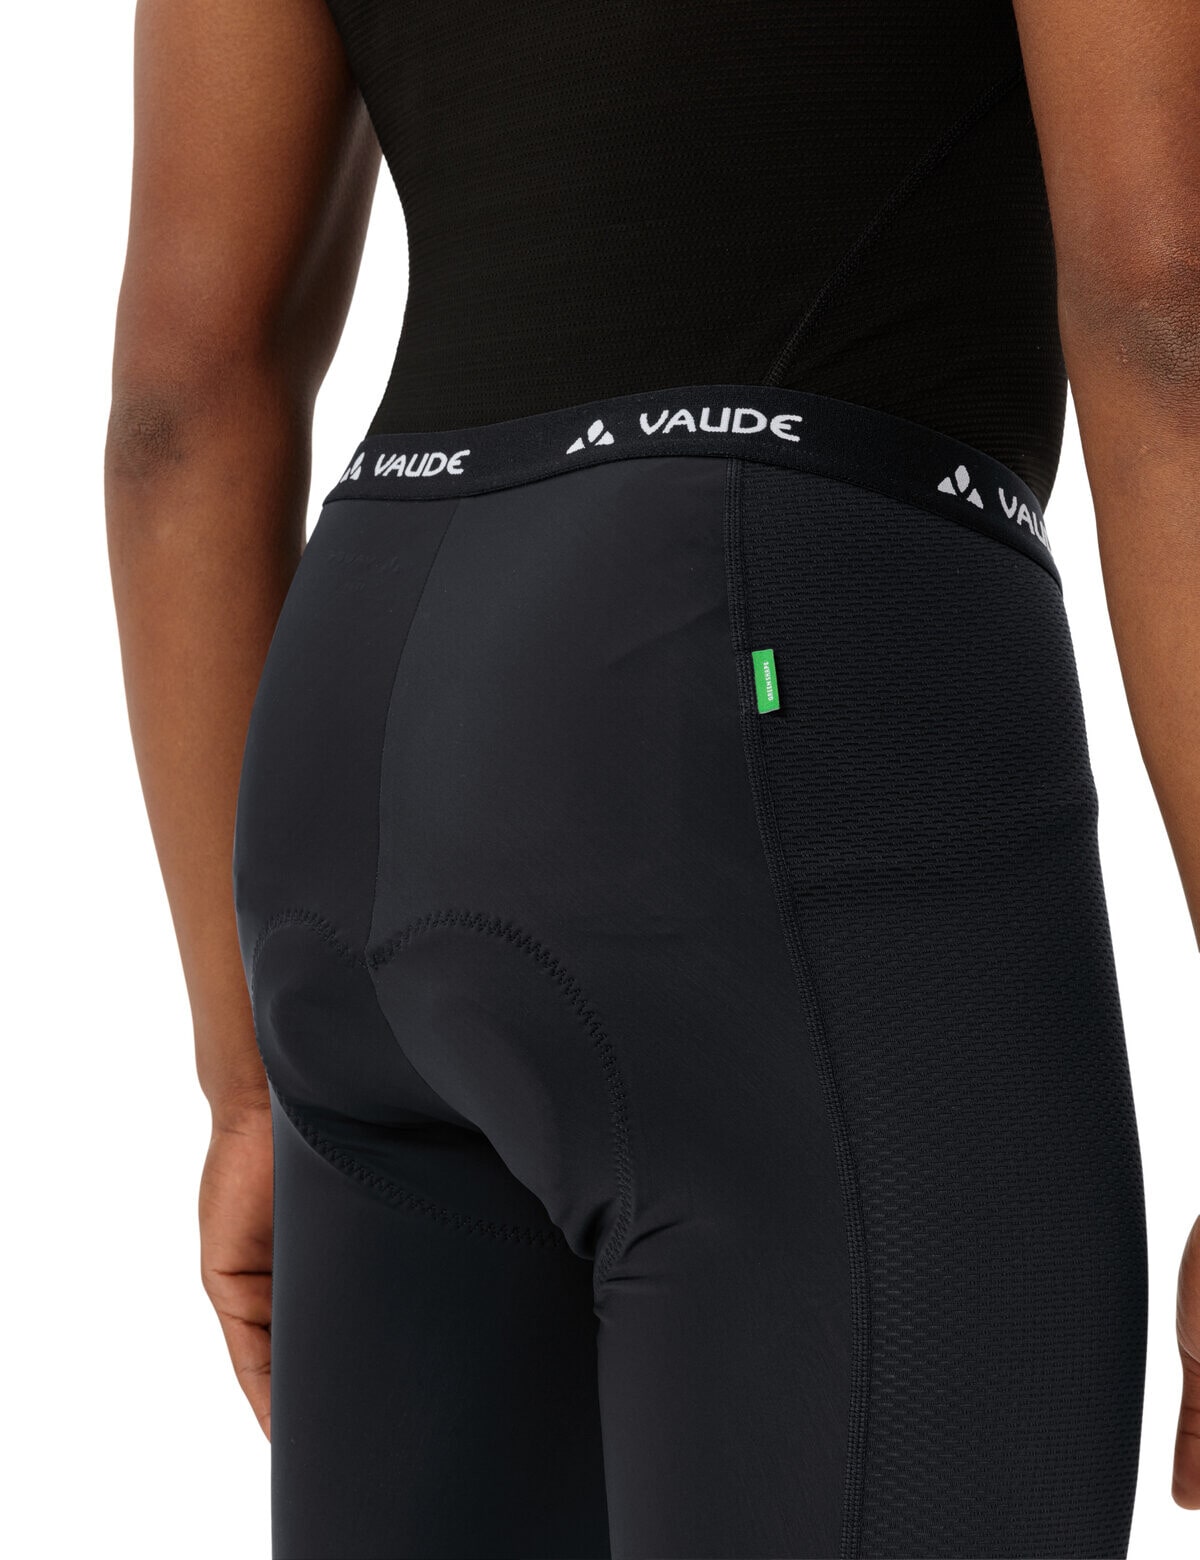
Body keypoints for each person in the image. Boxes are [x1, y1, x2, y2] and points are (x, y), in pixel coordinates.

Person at [104, 1, 1200, 1556]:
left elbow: (180, 394)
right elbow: (1166, 295)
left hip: (363, 715)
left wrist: (248, 1077)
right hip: (778, 684)